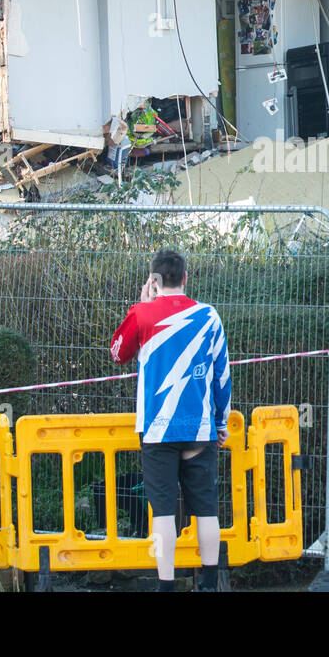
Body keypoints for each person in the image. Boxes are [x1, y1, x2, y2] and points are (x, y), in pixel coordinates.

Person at [110, 249, 231, 591]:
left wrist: (140, 303)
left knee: (163, 513)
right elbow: (222, 375)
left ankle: (166, 586)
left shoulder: (143, 314)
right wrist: (220, 422)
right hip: (199, 428)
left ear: (154, 280)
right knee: (207, 510)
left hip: (157, 431)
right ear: (186, 278)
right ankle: (208, 584)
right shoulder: (208, 316)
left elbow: (118, 353)